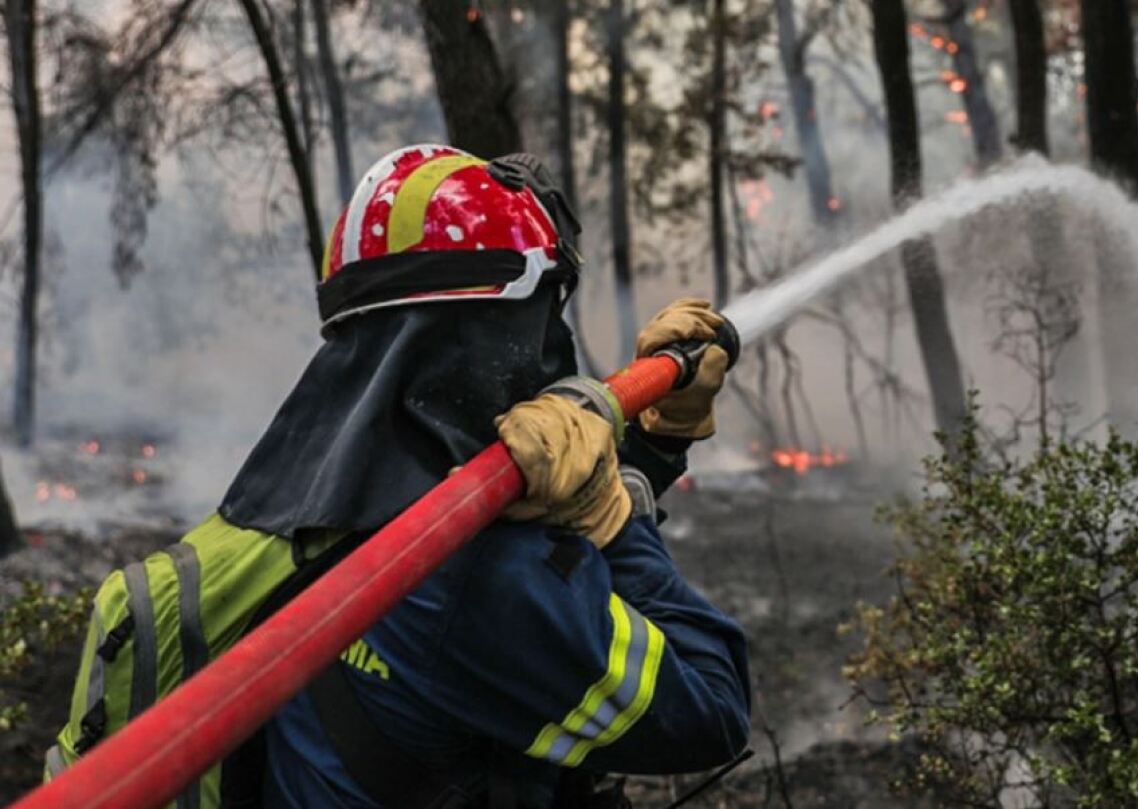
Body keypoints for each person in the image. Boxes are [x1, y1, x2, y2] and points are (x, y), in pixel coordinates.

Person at [216, 145, 749, 808]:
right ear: (494, 333)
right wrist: (615, 520)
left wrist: (655, 443)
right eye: (542, 320)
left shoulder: (282, 517)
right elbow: (713, 706)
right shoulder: (472, 581)